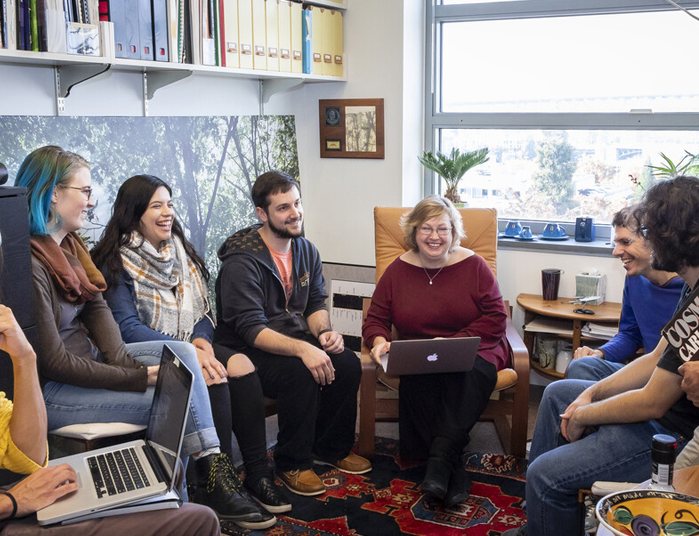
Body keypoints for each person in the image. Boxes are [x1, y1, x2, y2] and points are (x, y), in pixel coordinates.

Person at [0, 180, 219, 536]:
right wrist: (14, 501)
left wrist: (24, 357)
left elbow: (28, 455)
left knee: (188, 512)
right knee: (197, 522)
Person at [14, 146, 272, 530]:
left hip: (94, 364)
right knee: (174, 395)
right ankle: (188, 499)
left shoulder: (68, 245)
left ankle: (209, 469)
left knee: (182, 351)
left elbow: (98, 308)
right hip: (54, 392)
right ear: (53, 193)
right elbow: (54, 363)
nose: (90, 201)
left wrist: (125, 364)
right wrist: (137, 377)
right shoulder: (31, 263)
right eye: (84, 191)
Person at [506, 176, 699, 536]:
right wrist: (590, 394)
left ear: (678, 235)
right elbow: (657, 354)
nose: (648, 237)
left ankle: (547, 496)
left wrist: (586, 414)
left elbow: (652, 403)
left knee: (545, 475)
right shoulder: (693, 289)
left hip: (671, 433)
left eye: (650, 230)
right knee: (558, 393)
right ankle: (538, 520)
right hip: (661, 414)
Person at [92, 174, 290, 514]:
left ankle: (256, 473)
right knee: (211, 375)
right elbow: (126, 329)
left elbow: (204, 311)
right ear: (134, 213)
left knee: (240, 364)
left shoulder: (181, 253)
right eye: (157, 205)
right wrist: (191, 353)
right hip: (144, 355)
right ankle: (216, 480)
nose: (168, 212)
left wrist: (201, 340)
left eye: (169, 203)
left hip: (189, 343)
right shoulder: (114, 262)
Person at [214, 170, 371, 497]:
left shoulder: (305, 250)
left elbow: (314, 303)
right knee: (300, 371)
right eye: (283, 207)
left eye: (297, 203)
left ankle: (331, 448)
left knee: (346, 363)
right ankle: (292, 463)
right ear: (262, 213)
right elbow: (251, 328)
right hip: (246, 348)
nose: (295, 213)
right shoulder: (241, 262)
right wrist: (304, 350)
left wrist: (325, 334)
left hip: (288, 335)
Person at [362, 196, 510, 507]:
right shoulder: (397, 271)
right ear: (413, 232)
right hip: (421, 352)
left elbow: (497, 316)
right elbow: (375, 319)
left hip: (477, 346)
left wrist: (456, 341)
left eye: (442, 228)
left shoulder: (474, 265)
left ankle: (439, 460)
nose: (434, 236)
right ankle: (452, 470)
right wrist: (377, 341)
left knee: (466, 374)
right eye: (426, 228)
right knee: (421, 378)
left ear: (454, 232)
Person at [566, 206, 683, 382]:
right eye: (616, 243)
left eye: (626, 242)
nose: (616, 252)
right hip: (647, 374)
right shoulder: (635, 277)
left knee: (557, 392)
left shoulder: (688, 287)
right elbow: (630, 334)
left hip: (675, 381)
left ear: (654, 240)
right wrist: (599, 353)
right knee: (581, 367)